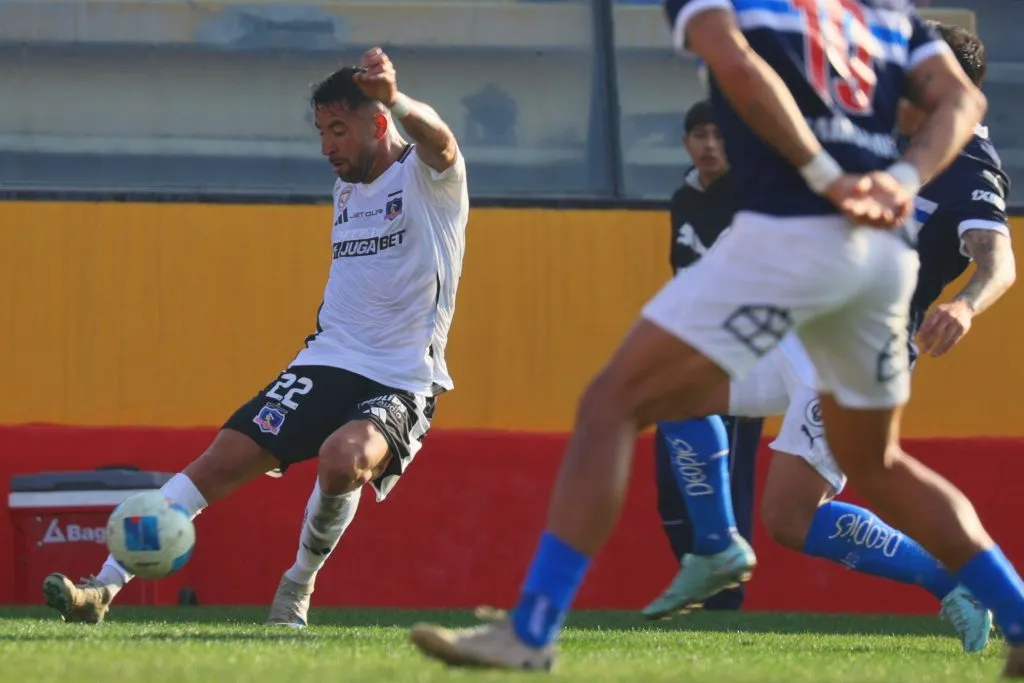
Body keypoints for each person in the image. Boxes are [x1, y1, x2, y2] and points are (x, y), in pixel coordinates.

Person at [409, 1, 1024, 676]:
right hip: (874, 266)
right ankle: (1008, 609)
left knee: (612, 403)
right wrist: (899, 180)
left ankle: (532, 629)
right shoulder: (882, 16)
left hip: (795, 238)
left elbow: (734, 63)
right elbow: (960, 98)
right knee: (868, 464)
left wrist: (827, 176)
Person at [41, 48, 469, 628]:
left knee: (344, 460)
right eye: (321, 132)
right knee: (220, 461)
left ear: (377, 123)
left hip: (401, 375)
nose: (326, 148)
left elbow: (438, 137)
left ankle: (297, 586)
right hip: (327, 360)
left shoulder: (429, 177)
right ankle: (103, 587)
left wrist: (395, 96)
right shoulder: (347, 189)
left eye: (338, 130)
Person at [640, 22, 1015, 656]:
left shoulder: (967, 163)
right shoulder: (881, 134)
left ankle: (962, 579)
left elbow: (997, 260)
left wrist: (966, 308)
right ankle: (716, 548)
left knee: (790, 517)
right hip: (794, 320)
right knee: (673, 390)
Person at [650, 99, 764, 613]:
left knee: (728, 482)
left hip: (742, 362)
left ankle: (726, 601)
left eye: (720, 135)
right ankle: (695, 579)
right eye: (700, 134)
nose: (710, 145)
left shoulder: (754, 199)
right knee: (671, 485)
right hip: (686, 355)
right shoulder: (684, 197)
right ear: (685, 142)